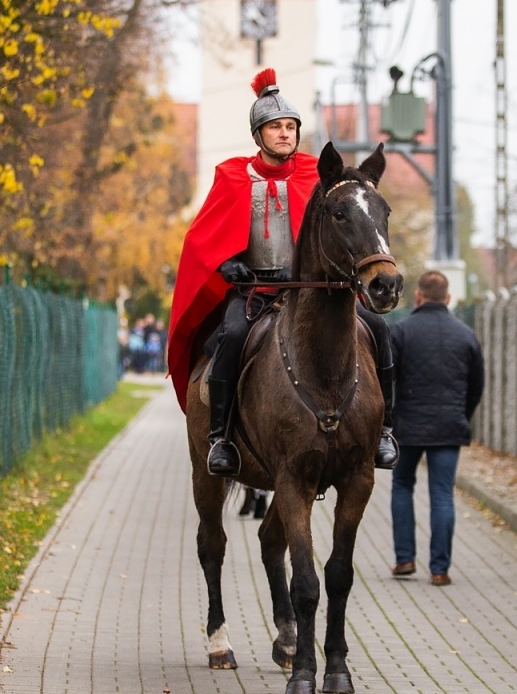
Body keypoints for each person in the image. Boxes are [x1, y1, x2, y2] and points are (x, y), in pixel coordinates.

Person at [167, 68, 399, 476]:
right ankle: (220, 437)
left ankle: (385, 431)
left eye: (290, 127)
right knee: (232, 337)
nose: (285, 134)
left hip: (310, 290)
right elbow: (204, 236)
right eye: (276, 127)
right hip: (254, 290)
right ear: (259, 135)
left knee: (378, 329)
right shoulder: (233, 175)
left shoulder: (317, 176)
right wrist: (228, 263)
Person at [388, 270, 484, 586]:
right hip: (449, 426)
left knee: (402, 486)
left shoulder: (400, 332)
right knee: (442, 494)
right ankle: (440, 569)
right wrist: (461, 414)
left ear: (418, 296)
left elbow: (387, 380)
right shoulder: (466, 335)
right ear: (448, 298)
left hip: (408, 426)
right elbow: (476, 386)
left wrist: (390, 420)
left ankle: (404, 559)